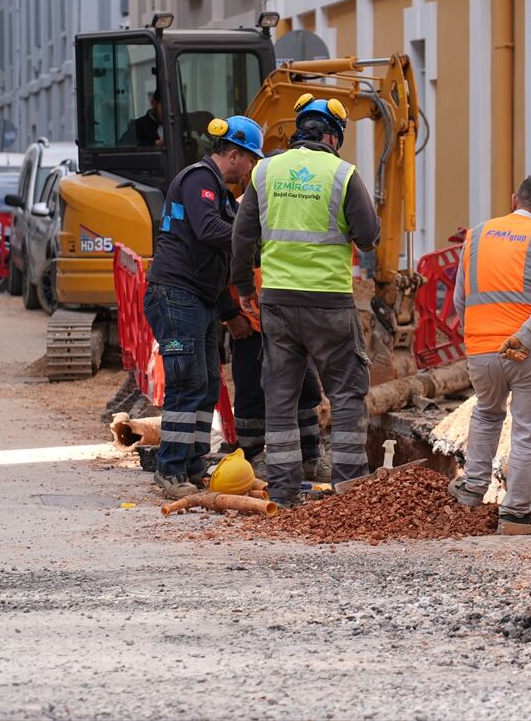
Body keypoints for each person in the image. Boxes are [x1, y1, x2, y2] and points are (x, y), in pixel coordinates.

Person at [231, 94, 380, 508]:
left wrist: (244, 287)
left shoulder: (265, 171)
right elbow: (368, 236)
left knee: (280, 397)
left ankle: (281, 492)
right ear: (334, 136)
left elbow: (242, 238)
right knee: (347, 392)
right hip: (329, 302)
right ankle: (349, 490)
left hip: (277, 301)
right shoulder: (343, 173)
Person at [143, 115, 264, 499]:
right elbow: (208, 230)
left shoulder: (218, 191)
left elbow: (212, 266)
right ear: (233, 154)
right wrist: (251, 238)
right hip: (176, 295)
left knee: (208, 384)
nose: (251, 169)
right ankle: (171, 469)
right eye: (251, 160)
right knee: (187, 382)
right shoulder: (199, 180)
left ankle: (192, 463)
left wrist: (230, 312)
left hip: (196, 298)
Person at [447, 176, 531, 532]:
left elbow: (460, 297)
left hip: (481, 349)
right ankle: (514, 512)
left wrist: (477, 335)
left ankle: (472, 488)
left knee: (486, 414)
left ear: (514, 199)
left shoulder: (477, 235)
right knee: (528, 430)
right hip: (527, 352)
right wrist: (525, 336)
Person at [228, 254, 327, 483]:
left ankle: (309, 456)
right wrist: (230, 315)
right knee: (251, 390)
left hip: (289, 317)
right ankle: (252, 455)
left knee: (306, 387)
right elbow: (221, 269)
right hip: (250, 322)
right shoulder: (237, 224)